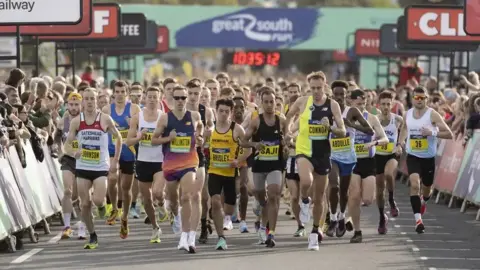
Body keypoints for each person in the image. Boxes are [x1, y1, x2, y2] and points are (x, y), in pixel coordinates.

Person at [285, 71, 346, 251]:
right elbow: (289, 117)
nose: (316, 91)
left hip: (323, 155)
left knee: (319, 198)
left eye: (319, 88)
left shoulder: (332, 105)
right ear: (308, 87)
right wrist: (288, 133)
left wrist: (331, 127)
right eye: (312, 88)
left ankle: (314, 232)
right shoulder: (303, 102)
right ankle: (304, 200)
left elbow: (342, 130)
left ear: (325, 86)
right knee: (306, 181)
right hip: (303, 151)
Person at [64, 88, 122, 249]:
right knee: (85, 204)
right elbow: (67, 144)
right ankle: (92, 235)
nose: (89, 102)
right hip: (82, 167)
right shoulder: (77, 121)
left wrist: (115, 160)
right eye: (87, 99)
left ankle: (103, 206)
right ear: (83, 102)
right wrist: (74, 152)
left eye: (92, 99)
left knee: (97, 200)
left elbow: (119, 138)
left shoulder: (104, 119)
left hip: (100, 167)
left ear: (96, 101)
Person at [152, 85, 204, 253]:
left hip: (189, 162)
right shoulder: (165, 119)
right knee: (174, 201)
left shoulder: (194, 116)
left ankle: (187, 236)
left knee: (187, 196)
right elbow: (153, 140)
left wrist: (200, 138)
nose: (181, 101)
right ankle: (175, 215)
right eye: (177, 98)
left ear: (187, 98)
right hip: (171, 165)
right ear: (172, 99)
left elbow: (200, 128)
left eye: (183, 98)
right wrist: (169, 138)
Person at [398, 86, 453, 233]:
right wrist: (400, 143)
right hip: (413, 156)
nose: (419, 100)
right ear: (413, 99)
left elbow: (449, 134)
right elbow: (404, 128)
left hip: (428, 158)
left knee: (427, 189)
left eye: (422, 98)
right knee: (415, 185)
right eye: (417, 97)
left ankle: (424, 200)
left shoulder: (432, 115)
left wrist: (432, 132)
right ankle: (418, 220)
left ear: (426, 99)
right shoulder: (407, 114)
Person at [326, 81, 374, 238]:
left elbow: (369, 130)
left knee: (344, 192)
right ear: (332, 95)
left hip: (348, 158)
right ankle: (332, 218)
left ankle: (340, 216)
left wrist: (351, 125)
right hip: (332, 156)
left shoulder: (352, 111)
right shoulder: (327, 111)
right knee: (334, 186)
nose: (339, 97)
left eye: (342, 94)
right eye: (336, 94)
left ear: (346, 96)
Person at [243, 86, 288, 248]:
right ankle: (263, 220)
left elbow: (287, 137)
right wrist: (255, 144)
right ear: (261, 103)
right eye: (266, 102)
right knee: (261, 197)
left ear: (276, 103)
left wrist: (286, 145)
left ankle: (271, 233)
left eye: (272, 102)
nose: (269, 105)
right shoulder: (256, 121)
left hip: (275, 164)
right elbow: (243, 141)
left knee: (274, 195)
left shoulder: (281, 120)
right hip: (259, 165)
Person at [348, 89, 388, 243]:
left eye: (364, 103)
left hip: (369, 162)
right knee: (354, 195)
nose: (361, 106)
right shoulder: (346, 118)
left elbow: (384, 138)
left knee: (368, 199)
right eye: (358, 104)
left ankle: (379, 215)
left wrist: (373, 142)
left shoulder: (371, 118)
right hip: (352, 162)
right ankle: (357, 231)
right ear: (351, 102)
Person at [125, 86, 164, 244]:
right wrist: (139, 138)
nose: (153, 100)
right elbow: (128, 142)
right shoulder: (137, 118)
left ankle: (162, 204)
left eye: (155, 97)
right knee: (146, 200)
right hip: (143, 161)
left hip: (160, 161)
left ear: (159, 98)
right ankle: (155, 227)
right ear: (145, 98)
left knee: (157, 192)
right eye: (150, 97)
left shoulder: (163, 117)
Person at [102, 80, 141, 240]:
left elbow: (140, 130)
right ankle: (113, 207)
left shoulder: (134, 109)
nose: (119, 95)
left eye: (122, 91)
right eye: (116, 92)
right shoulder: (106, 110)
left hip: (129, 152)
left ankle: (124, 217)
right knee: (112, 178)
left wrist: (131, 126)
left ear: (127, 93)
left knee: (126, 189)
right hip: (112, 150)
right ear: (113, 93)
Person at [208, 99, 247, 250]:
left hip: (231, 173)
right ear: (216, 111)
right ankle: (220, 237)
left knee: (229, 209)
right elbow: (200, 143)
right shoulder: (210, 127)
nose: (223, 114)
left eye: (226, 111)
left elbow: (248, 149)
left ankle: (225, 216)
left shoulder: (237, 129)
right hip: (214, 171)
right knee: (216, 201)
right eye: (220, 111)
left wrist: (238, 160)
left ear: (230, 113)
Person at [185, 79, 214, 242]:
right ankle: (187, 225)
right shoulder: (181, 109)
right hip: (183, 156)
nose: (194, 97)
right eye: (191, 93)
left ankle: (203, 225)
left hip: (203, 153)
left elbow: (212, 128)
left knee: (203, 195)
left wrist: (205, 135)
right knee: (187, 194)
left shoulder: (206, 111)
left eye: (197, 93)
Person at [59, 92, 87, 240]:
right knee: (67, 191)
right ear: (67, 105)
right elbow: (56, 137)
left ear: (81, 105)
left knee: (81, 196)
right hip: (68, 160)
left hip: (83, 161)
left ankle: (82, 226)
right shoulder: (62, 121)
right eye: (71, 104)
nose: (74, 107)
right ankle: (67, 226)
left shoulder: (85, 120)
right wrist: (58, 151)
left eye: (77, 104)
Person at [375, 91, 403, 235]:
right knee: (379, 192)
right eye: (383, 104)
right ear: (379, 105)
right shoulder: (375, 120)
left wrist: (399, 144)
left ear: (392, 104)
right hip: (377, 156)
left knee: (388, 174)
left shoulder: (397, 119)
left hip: (391, 154)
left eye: (388, 104)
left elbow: (405, 128)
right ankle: (382, 218)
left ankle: (391, 199)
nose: (386, 107)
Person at [232, 97, 252, 234]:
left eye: (241, 107)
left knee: (244, 187)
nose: (239, 110)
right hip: (228, 161)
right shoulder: (227, 123)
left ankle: (243, 221)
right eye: (236, 107)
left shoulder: (250, 123)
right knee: (231, 190)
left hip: (245, 159)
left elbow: (250, 146)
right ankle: (231, 214)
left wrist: (240, 159)